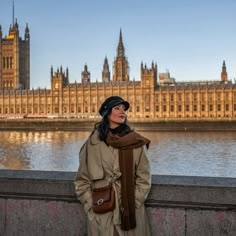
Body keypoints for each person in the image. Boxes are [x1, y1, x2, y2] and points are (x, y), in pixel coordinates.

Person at [74, 96, 151, 236]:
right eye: (117, 108)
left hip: (129, 212)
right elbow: (82, 180)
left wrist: (135, 202)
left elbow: (144, 178)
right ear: (107, 113)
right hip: (102, 212)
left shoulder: (136, 142)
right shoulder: (92, 144)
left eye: (124, 109)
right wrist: (90, 205)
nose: (123, 112)